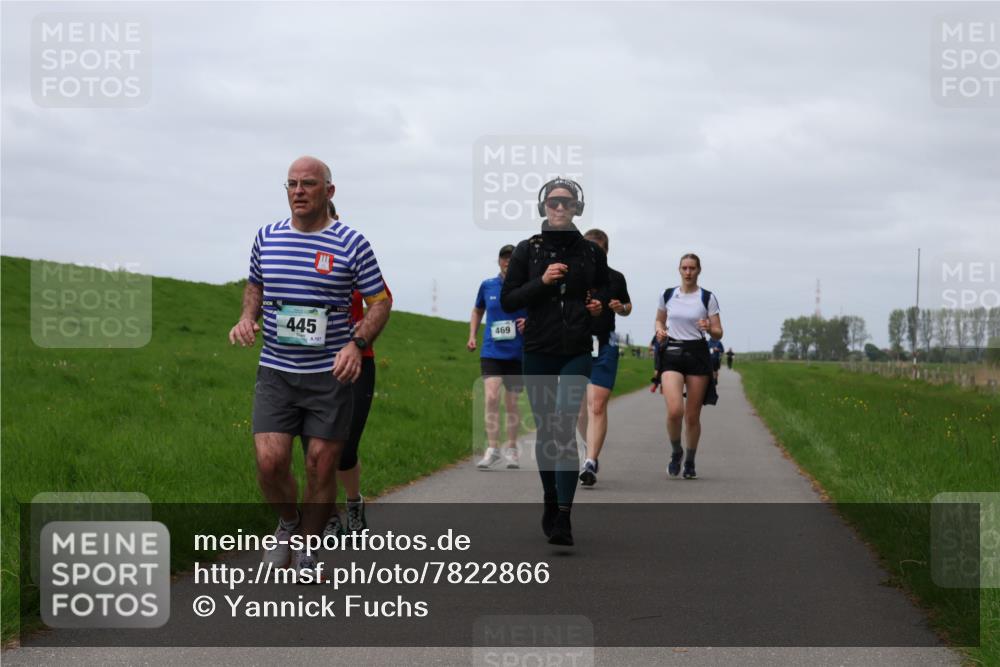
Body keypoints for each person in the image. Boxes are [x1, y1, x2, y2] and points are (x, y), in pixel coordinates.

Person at [229, 156, 391, 575]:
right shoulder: (266, 237)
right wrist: (248, 317)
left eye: (308, 184)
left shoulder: (352, 243)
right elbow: (255, 285)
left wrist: (357, 344)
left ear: (329, 191)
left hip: (329, 376)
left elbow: (380, 302)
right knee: (270, 463)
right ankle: (288, 523)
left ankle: (308, 551)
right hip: (276, 371)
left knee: (321, 464)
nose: (298, 191)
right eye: (292, 184)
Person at [501, 177, 607, 546]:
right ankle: (550, 497)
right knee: (548, 432)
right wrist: (542, 281)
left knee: (563, 428)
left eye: (566, 202)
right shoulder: (527, 251)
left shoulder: (591, 253)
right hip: (539, 349)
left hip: (576, 349)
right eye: (552, 202)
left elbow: (604, 299)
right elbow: (510, 299)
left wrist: (596, 309)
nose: (559, 208)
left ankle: (563, 516)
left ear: (577, 208)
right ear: (543, 207)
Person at [302, 202, 393, 539]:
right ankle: (327, 513)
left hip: (356, 362)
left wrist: (359, 332)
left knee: (345, 445)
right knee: (314, 446)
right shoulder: (300, 260)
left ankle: (353, 502)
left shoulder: (352, 255)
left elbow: (383, 301)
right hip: (311, 363)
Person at [654, 253, 723, 480]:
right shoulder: (668, 295)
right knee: (675, 411)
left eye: (692, 268)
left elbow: (718, 331)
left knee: (692, 416)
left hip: (697, 354)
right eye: (684, 268)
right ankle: (676, 452)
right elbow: (659, 320)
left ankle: (690, 460)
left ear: (698, 270)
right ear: (679, 270)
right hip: (672, 352)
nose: (688, 272)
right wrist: (659, 330)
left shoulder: (707, 297)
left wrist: (708, 327)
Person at [576, 229, 631, 487]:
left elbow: (627, 306)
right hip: (575, 345)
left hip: (604, 345)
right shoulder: (573, 275)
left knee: (596, 405)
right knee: (578, 410)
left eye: (596, 249)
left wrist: (621, 308)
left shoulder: (616, 278)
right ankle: (589, 446)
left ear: (606, 251)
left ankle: (591, 461)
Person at [468, 245, 527, 470]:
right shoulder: (487, 285)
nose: (508, 262)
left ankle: (511, 449)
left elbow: (538, 313)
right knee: (491, 398)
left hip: (516, 353)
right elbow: (477, 311)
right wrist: (472, 335)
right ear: (498, 261)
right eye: (504, 258)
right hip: (492, 351)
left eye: (512, 259)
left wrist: (529, 323)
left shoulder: (526, 286)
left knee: (511, 403)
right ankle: (492, 449)